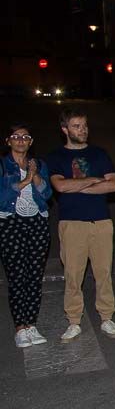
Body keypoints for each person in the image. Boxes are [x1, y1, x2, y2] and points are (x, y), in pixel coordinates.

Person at [46, 109, 115, 341]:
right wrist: (93, 180)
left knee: (104, 272)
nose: (83, 130)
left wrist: (76, 185)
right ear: (65, 130)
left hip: (100, 221)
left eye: (85, 126)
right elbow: (60, 187)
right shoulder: (56, 157)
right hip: (72, 223)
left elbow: (113, 186)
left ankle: (107, 317)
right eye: (77, 126)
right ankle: (74, 320)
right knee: (72, 274)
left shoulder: (99, 154)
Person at [2, 124, 53, 347]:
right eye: (16, 137)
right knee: (17, 276)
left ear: (31, 142)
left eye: (25, 137)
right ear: (8, 141)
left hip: (37, 221)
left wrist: (36, 177)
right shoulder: (3, 166)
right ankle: (20, 327)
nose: (21, 140)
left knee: (34, 276)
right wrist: (24, 180)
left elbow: (47, 193)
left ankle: (31, 324)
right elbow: (2, 197)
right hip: (11, 222)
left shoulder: (39, 164)